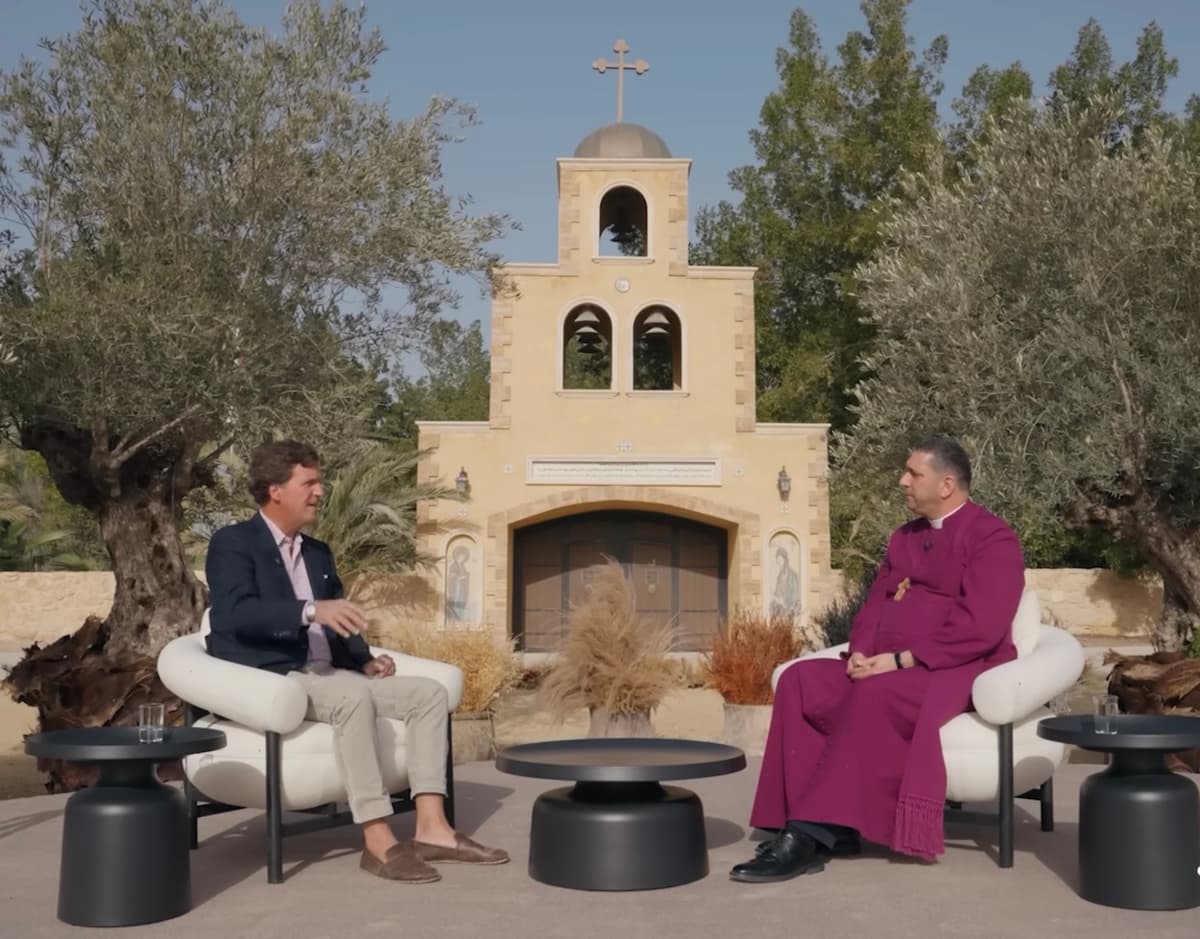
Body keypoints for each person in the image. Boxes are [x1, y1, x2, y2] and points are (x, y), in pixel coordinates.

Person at [206, 440, 508, 884]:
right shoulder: (233, 543)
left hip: (334, 673)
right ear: (275, 490)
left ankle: (432, 829)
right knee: (349, 697)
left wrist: (365, 661)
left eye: (319, 481)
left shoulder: (317, 553)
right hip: (279, 676)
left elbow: (338, 623)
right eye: (309, 482)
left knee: (428, 694)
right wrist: (309, 609)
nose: (320, 491)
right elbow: (234, 614)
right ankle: (378, 840)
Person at [730, 435, 1024, 883]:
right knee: (801, 680)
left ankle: (806, 835)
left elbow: (980, 626)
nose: (902, 481)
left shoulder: (992, 538)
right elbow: (875, 604)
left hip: (953, 668)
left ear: (946, 485)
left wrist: (902, 661)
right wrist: (862, 652)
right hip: (886, 661)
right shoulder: (904, 538)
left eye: (913, 474)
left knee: (877, 694)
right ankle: (834, 828)